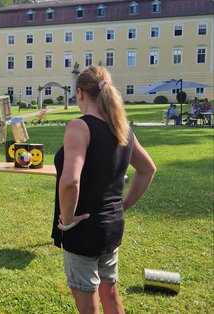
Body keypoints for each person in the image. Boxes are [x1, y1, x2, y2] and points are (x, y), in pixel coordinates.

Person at [52, 66, 156, 313]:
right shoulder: (122, 129)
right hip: (112, 225)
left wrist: (67, 222)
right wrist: (124, 205)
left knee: (87, 300)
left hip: (84, 228)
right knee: (109, 292)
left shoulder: (79, 127)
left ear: (79, 93)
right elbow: (147, 169)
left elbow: (70, 182)